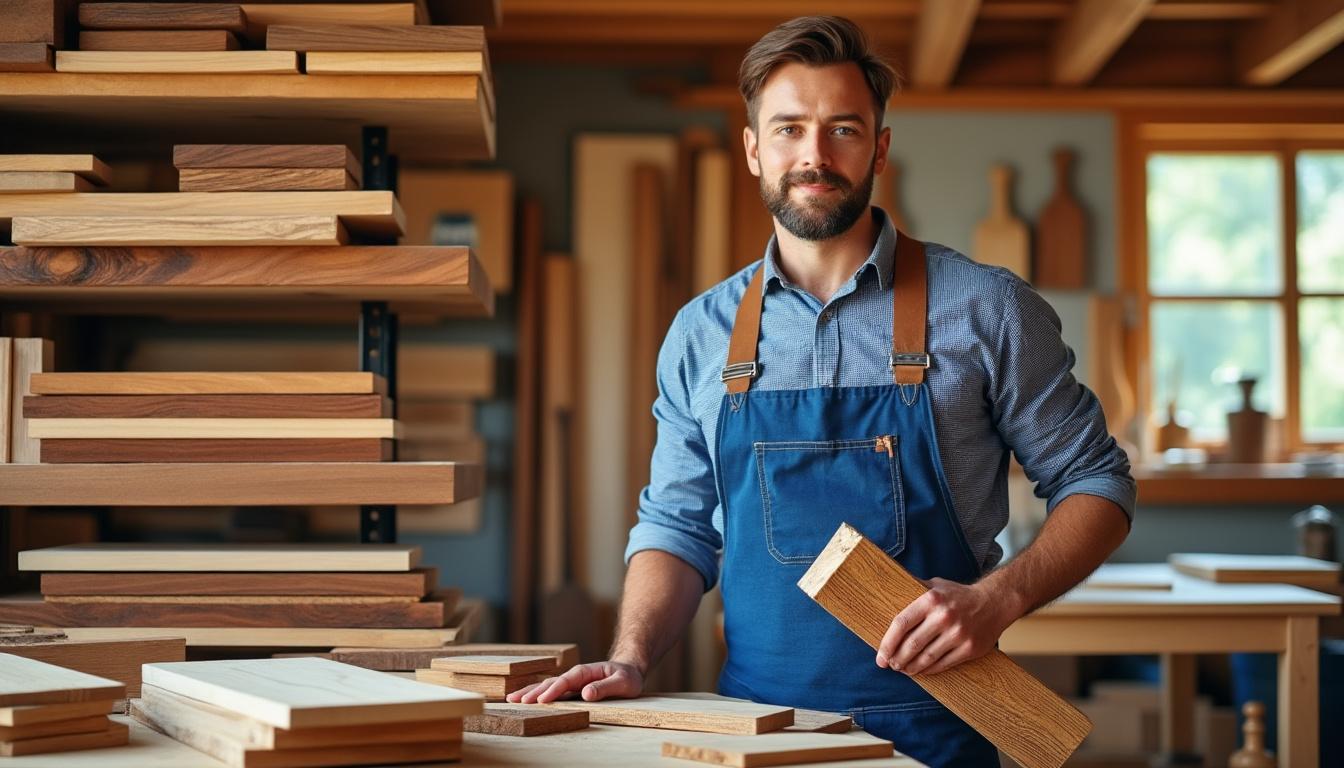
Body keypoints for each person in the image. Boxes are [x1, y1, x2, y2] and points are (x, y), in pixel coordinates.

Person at [511, 15, 1134, 767]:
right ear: (752, 150)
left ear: (879, 145)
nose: (814, 155)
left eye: (842, 129)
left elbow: (1097, 481)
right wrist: (632, 657)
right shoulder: (701, 334)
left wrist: (998, 598)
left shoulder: (987, 308)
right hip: (755, 732)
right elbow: (676, 526)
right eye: (788, 129)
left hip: (938, 727)